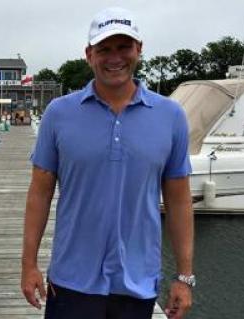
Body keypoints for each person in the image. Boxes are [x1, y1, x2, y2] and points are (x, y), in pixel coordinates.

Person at [21, 7, 194, 319]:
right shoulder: (59, 114)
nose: (115, 58)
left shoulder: (171, 116)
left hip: (137, 282)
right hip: (71, 280)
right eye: (104, 49)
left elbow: (179, 200)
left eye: (124, 47)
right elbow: (39, 193)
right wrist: (28, 263)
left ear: (139, 49)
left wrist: (184, 277)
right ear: (89, 54)